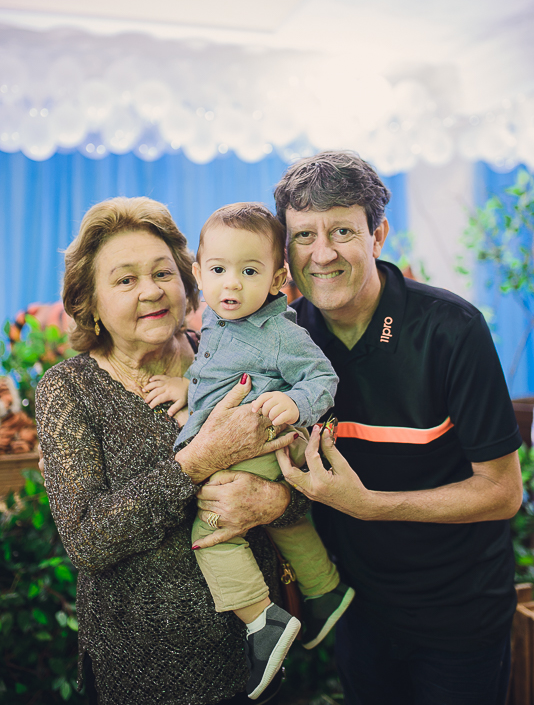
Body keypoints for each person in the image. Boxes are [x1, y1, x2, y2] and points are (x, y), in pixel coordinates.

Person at [267, 151, 524, 705]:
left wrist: (370, 504)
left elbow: (502, 492)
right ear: (284, 252)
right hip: (359, 613)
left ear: (378, 234)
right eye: (303, 235)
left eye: (342, 230)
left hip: (460, 616)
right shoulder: (285, 340)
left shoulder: (451, 330)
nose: (323, 253)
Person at [35, 196, 303, 705]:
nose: (152, 291)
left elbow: (302, 472)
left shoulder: (227, 354)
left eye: (163, 273)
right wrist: (198, 459)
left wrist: (279, 502)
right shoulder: (68, 390)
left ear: (189, 280)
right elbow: (89, 539)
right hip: (139, 676)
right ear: (88, 302)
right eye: (125, 280)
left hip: (255, 663)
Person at [144, 203, 354, 699]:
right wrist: (186, 389)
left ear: (280, 277)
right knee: (283, 520)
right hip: (245, 437)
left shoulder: (280, 332)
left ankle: (263, 621)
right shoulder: (216, 319)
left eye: (249, 271)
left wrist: (294, 400)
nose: (231, 284)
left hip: (261, 436)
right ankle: (324, 591)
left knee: (213, 525)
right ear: (198, 273)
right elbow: (220, 378)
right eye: (218, 270)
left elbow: (323, 377)